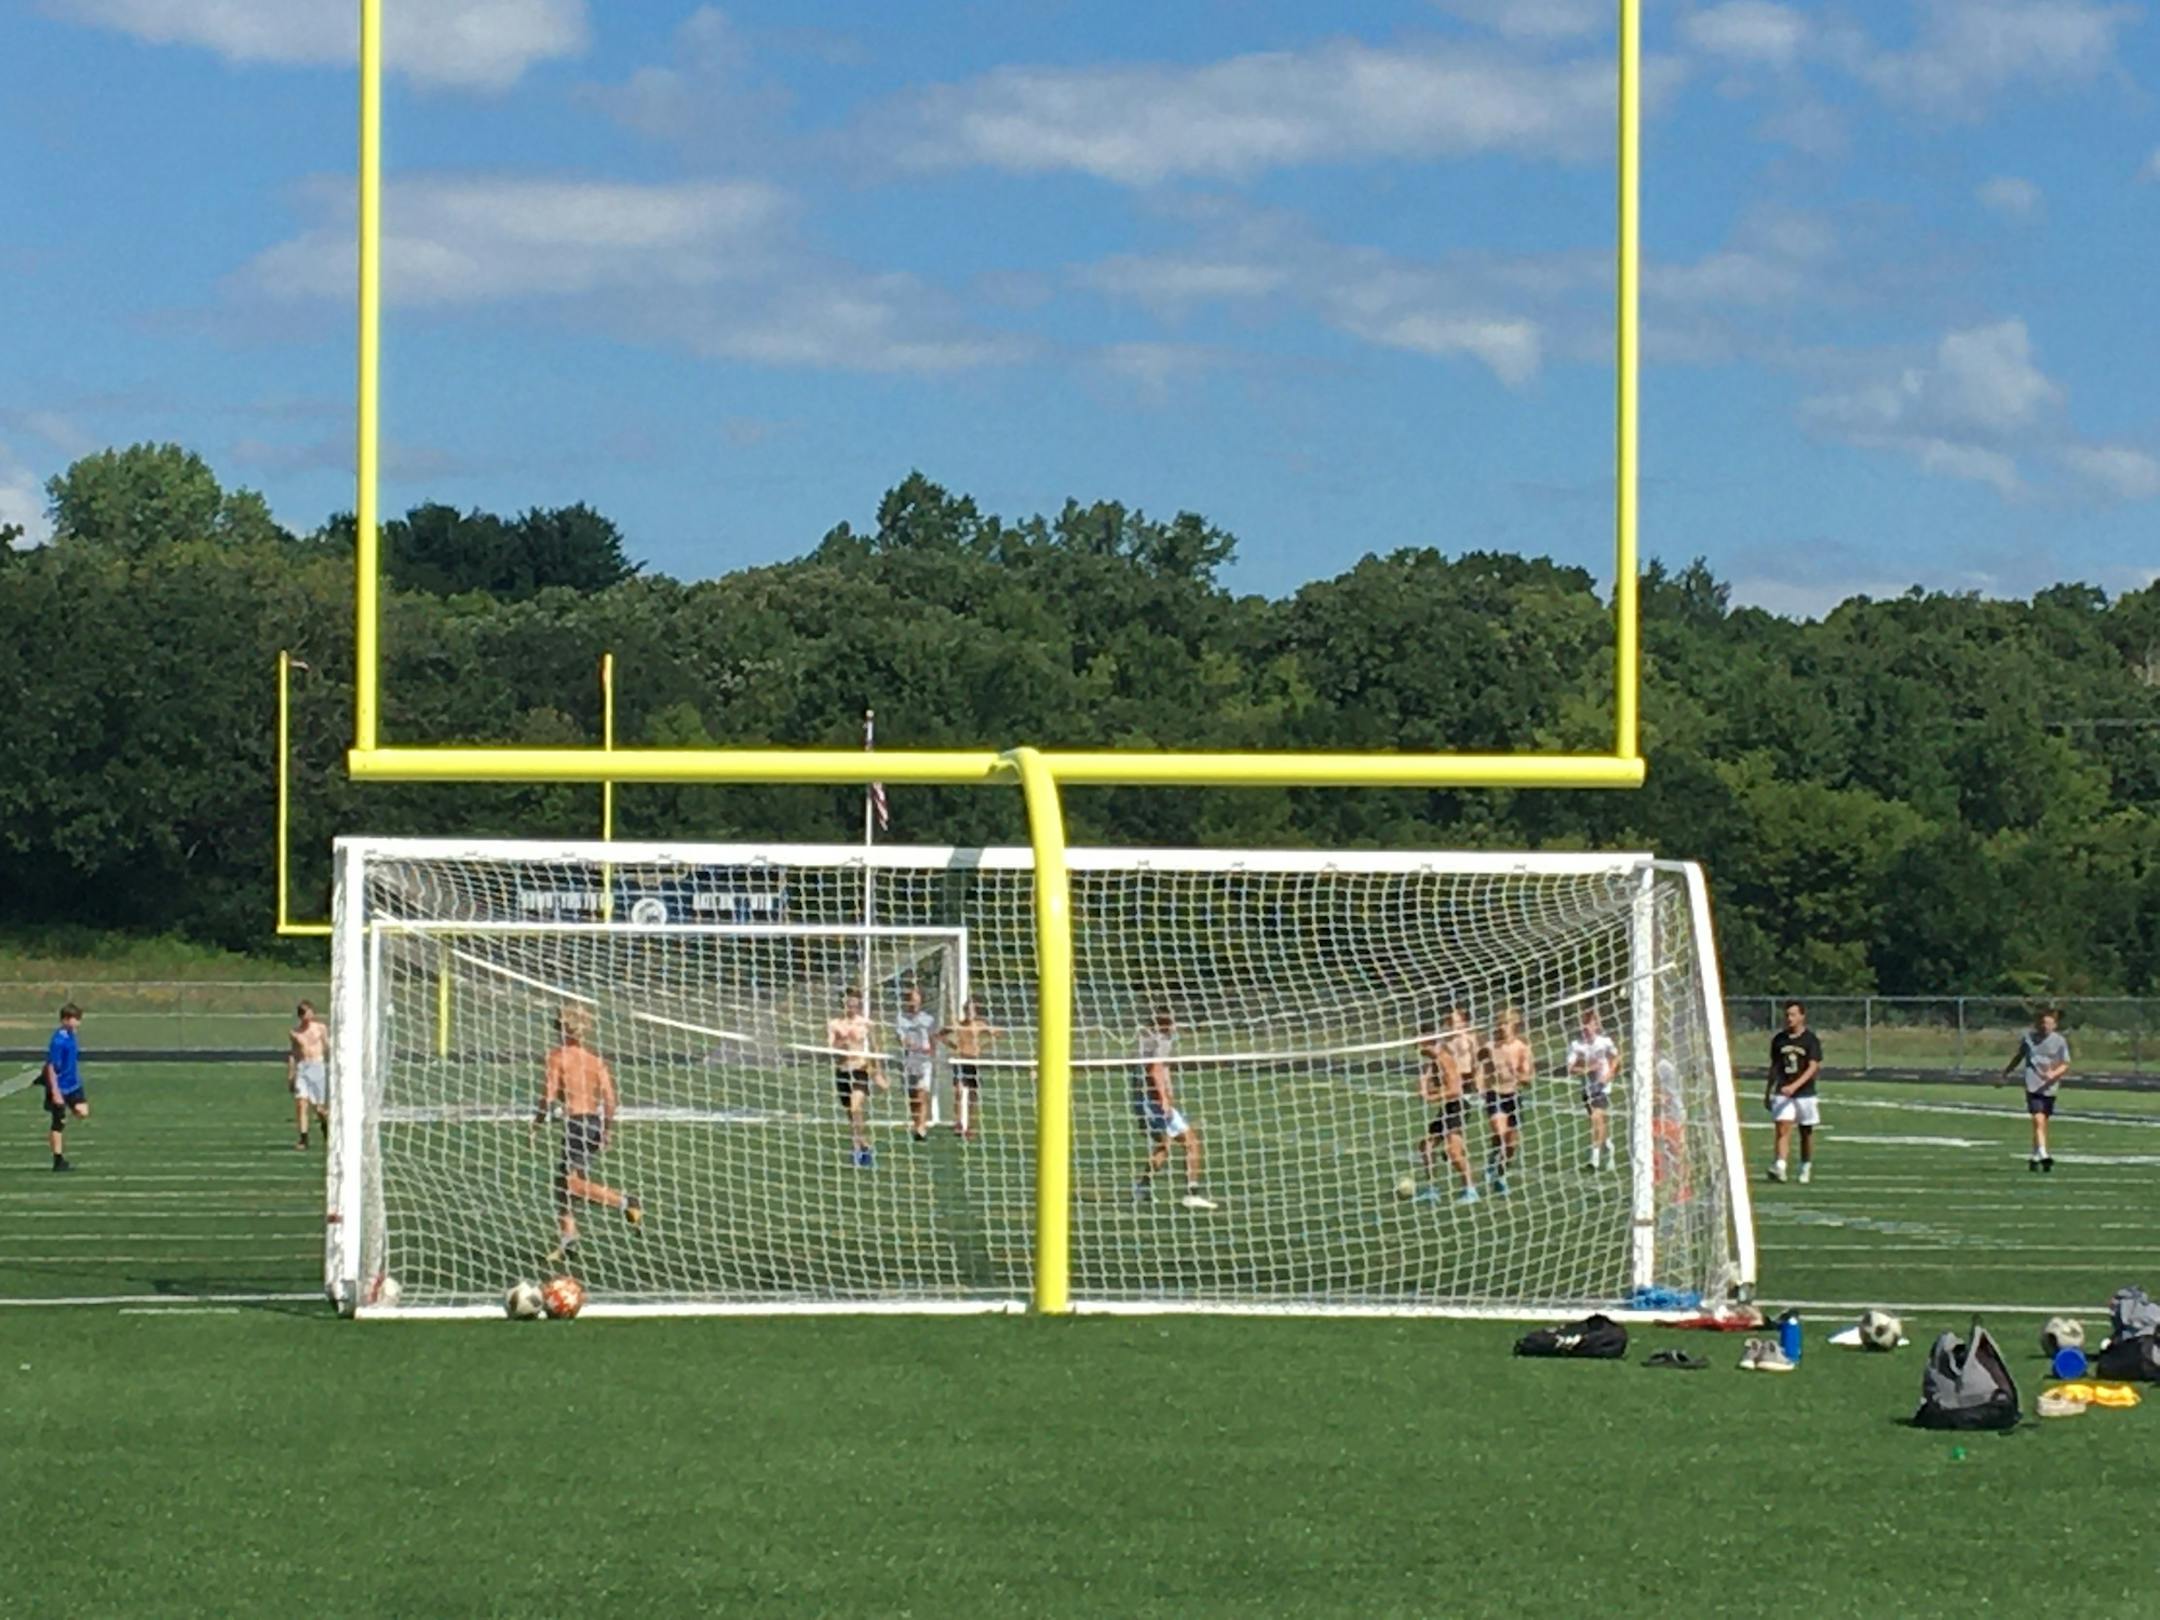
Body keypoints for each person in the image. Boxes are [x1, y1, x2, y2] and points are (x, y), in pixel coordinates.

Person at [532, 1005, 641, 1262]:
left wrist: (536, 1123)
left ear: (559, 1029)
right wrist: (606, 1130)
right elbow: (611, 1100)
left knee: (572, 1184)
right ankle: (568, 1240)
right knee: (562, 1186)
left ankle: (626, 1202)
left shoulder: (557, 1057)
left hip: (576, 1124)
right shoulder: (595, 1060)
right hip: (593, 1121)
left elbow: (547, 1096)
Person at [1132, 1009, 1213, 1209]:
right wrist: (1163, 1100)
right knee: (1191, 1142)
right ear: (1164, 1023)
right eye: (1172, 1021)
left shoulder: (1145, 1041)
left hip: (1144, 1102)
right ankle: (1192, 1193)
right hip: (1154, 1103)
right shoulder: (1162, 1040)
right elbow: (1155, 1070)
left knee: (1163, 1146)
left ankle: (1142, 1188)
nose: (1175, 1025)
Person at [1417, 1013, 1479, 1204]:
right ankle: (1432, 1189)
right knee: (1426, 1146)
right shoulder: (1435, 1061)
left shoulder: (1444, 1059)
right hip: (1450, 1106)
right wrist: (1427, 1085)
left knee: (1453, 1152)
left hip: (1458, 1105)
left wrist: (1432, 1096)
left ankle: (1471, 1191)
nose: (1416, 1047)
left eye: (1419, 1042)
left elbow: (1455, 1090)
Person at [2003, 1008, 2071, 1173]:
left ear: (2054, 1025)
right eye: (2042, 1023)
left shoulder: (2060, 1041)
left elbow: (2065, 1063)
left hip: (2049, 1088)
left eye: (2048, 1023)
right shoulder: (2029, 1040)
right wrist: (2006, 1072)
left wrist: (2052, 1074)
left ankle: (2034, 1156)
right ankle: (2044, 1154)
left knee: (2042, 1123)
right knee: (2038, 1120)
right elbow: (2019, 1056)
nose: (2045, 1026)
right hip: (2033, 1085)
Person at [1765, 999, 1823, 1184]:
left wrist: (1795, 1086)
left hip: (1805, 1093)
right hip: (1783, 1091)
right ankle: (1780, 1166)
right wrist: (1768, 1091)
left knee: (1806, 1132)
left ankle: (1805, 1165)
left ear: (1801, 1016)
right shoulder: (1779, 1040)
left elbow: (1813, 1067)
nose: (1789, 1018)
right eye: (1787, 1015)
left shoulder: (1810, 1040)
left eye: (1793, 1015)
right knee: (1782, 1127)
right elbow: (1774, 1066)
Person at [828, 990, 885, 1167]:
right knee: (851, 1113)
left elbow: (876, 1049)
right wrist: (840, 1044)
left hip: (860, 1068)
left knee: (856, 1107)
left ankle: (856, 1149)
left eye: (854, 1003)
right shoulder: (834, 1024)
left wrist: (878, 1073)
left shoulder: (865, 1024)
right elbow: (830, 1047)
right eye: (848, 1003)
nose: (851, 1006)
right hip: (843, 1070)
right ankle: (864, 1145)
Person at [1483, 1009, 1534, 1194]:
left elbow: (1528, 1077)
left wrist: (1519, 1074)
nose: (1502, 1027)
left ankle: (1501, 1175)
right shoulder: (1490, 1046)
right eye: (1500, 1023)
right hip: (1494, 1094)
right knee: (1500, 1132)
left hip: (1513, 1095)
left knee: (1511, 1144)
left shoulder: (1521, 1047)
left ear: (1514, 1025)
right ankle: (1492, 1161)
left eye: (1506, 1023)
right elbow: (1480, 1067)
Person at [1567, 1008, 1621, 1171]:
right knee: (1598, 1121)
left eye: (1590, 1024)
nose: (1586, 1027)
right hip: (1587, 1088)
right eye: (1584, 1024)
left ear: (1596, 1026)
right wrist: (1588, 1068)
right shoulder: (1576, 1045)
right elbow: (1569, 1068)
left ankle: (1594, 1158)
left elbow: (1617, 1057)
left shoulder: (1604, 1042)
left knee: (1596, 1118)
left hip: (1602, 1087)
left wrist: (1610, 1073)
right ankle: (1607, 1145)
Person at [938, 999, 998, 1141]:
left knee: (973, 1094)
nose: (970, 1013)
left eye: (972, 1010)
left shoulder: (979, 1025)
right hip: (961, 1060)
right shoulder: (958, 1025)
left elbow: (997, 1034)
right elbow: (940, 1035)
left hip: (973, 1061)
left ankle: (970, 1125)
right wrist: (953, 1046)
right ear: (964, 1011)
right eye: (967, 1010)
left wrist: (983, 1046)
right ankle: (958, 1122)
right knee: (958, 1092)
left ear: (975, 1011)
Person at [39, 1002, 87, 1173]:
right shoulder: (58, 1040)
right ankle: (58, 1161)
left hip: (73, 1085)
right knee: (58, 1123)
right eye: (75, 1019)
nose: (78, 1023)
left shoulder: (72, 1035)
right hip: (59, 1087)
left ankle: (66, 1111)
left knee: (83, 1112)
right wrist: (55, 1092)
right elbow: (52, 1066)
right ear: (65, 1020)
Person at [895, 986, 939, 1143]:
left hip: (924, 1062)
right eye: (910, 999)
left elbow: (933, 1038)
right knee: (912, 1096)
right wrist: (908, 1044)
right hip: (908, 1061)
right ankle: (916, 1124)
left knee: (922, 1094)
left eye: (915, 999)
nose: (913, 1002)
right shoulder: (901, 1018)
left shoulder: (928, 1019)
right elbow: (900, 1038)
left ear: (920, 1000)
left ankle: (922, 1128)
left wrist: (932, 1052)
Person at [287, 1000, 330, 1150]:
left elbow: (327, 1046)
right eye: (305, 1013)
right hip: (303, 1068)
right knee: (301, 1103)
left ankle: (326, 1125)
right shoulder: (295, 1033)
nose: (308, 1016)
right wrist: (291, 1074)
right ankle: (303, 1138)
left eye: (310, 1012)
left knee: (319, 1108)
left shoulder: (320, 1028)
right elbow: (293, 1054)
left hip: (317, 1067)